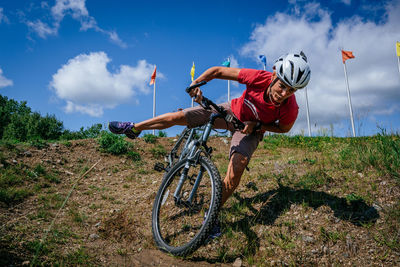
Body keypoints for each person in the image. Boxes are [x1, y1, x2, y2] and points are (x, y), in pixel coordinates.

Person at [109, 52, 311, 238]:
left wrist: (258, 125)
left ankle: (211, 214)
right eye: (281, 85)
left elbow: (283, 128)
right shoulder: (259, 77)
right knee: (180, 116)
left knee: (237, 166)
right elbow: (217, 71)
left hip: (250, 130)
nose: (283, 93)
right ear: (274, 75)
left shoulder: (290, 108)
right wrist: (196, 84)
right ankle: (135, 127)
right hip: (231, 112)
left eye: (291, 90)